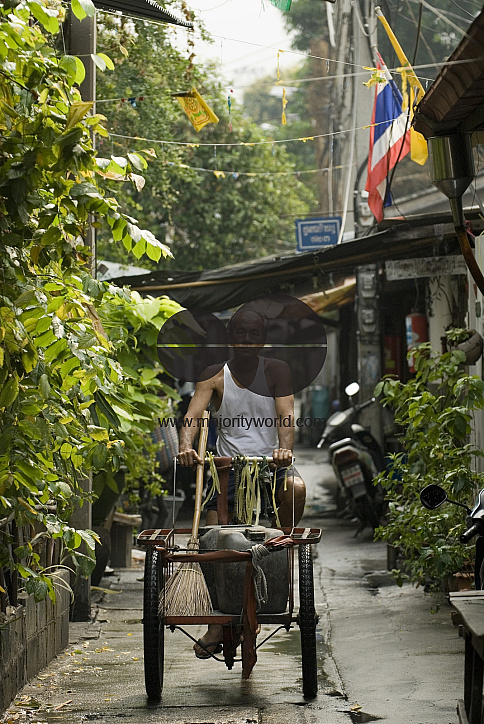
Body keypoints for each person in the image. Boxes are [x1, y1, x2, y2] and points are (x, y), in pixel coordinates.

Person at [177, 308, 306, 659]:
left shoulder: (276, 371)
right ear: (230, 337)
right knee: (217, 540)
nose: (247, 341)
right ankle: (217, 621)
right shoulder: (214, 375)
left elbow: (286, 415)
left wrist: (284, 450)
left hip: (272, 466)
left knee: (296, 490)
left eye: (254, 334)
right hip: (228, 470)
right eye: (240, 334)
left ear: (262, 338)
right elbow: (192, 415)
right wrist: (186, 447)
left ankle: (281, 557)